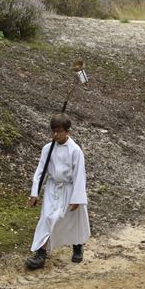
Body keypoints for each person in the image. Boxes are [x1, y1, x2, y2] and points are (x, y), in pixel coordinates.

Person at [25, 113, 90, 270]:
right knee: (47, 218)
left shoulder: (75, 151)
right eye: (53, 131)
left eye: (58, 131)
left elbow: (79, 175)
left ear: (67, 131)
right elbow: (40, 172)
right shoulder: (48, 149)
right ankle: (41, 253)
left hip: (69, 188)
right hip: (52, 188)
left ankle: (77, 245)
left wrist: (77, 198)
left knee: (72, 219)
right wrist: (35, 193)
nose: (55, 135)